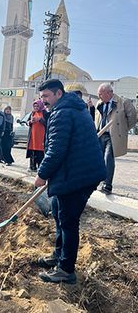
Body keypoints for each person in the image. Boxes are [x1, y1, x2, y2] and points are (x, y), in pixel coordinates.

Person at [34, 79, 106, 284]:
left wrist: (42, 174)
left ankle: (66, 270)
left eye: (46, 96)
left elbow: (56, 150)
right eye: (41, 97)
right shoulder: (73, 108)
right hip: (77, 171)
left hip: (78, 176)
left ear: (58, 94)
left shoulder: (63, 113)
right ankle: (59, 255)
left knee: (68, 222)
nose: (43, 101)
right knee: (58, 210)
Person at [94, 83, 137, 194]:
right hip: (100, 134)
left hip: (112, 136)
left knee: (108, 158)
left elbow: (133, 117)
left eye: (100, 94)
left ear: (109, 93)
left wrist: (123, 128)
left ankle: (107, 185)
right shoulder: (99, 103)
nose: (99, 96)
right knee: (97, 159)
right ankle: (96, 181)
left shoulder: (123, 102)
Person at [26, 100, 49, 171]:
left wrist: (40, 119)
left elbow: (48, 124)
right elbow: (27, 122)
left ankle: (40, 167)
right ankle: (32, 166)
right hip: (33, 136)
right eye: (34, 106)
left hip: (41, 136)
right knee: (33, 151)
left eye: (37, 106)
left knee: (40, 152)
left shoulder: (45, 113)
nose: (36, 107)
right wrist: (30, 122)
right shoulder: (32, 113)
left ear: (41, 106)